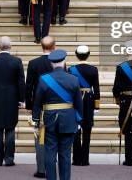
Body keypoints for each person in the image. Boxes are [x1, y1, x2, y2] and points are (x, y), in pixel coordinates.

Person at [32, 49, 82, 180]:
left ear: (51, 64)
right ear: (64, 62)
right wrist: (78, 121)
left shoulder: (44, 79)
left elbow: (36, 103)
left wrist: (35, 121)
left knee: (50, 154)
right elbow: (79, 104)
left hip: (49, 120)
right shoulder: (74, 79)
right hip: (69, 120)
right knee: (65, 154)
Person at [0, 36, 26, 167]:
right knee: (11, 128)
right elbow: (21, 82)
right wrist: (22, 99)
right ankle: (9, 159)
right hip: (12, 97)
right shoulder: (17, 61)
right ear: (10, 46)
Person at [26, 36, 56, 178]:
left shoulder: (33, 63)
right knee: (54, 138)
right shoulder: (59, 62)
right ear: (54, 47)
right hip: (57, 105)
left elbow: (29, 86)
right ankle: (52, 167)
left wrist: (29, 105)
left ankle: (41, 169)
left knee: (40, 138)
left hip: (39, 106)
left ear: (41, 47)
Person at [68, 45, 100, 166]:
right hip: (88, 101)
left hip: (75, 100)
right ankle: (85, 159)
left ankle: (76, 159)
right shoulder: (93, 69)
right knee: (87, 130)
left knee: (75, 129)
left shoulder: (71, 69)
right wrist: (96, 106)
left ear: (76, 55)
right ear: (88, 54)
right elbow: (96, 89)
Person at [112, 41, 132, 167]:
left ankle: (128, 160)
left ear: (127, 52)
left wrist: (118, 99)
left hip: (125, 101)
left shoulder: (121, 67)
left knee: (128, 131)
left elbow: (116, 89)